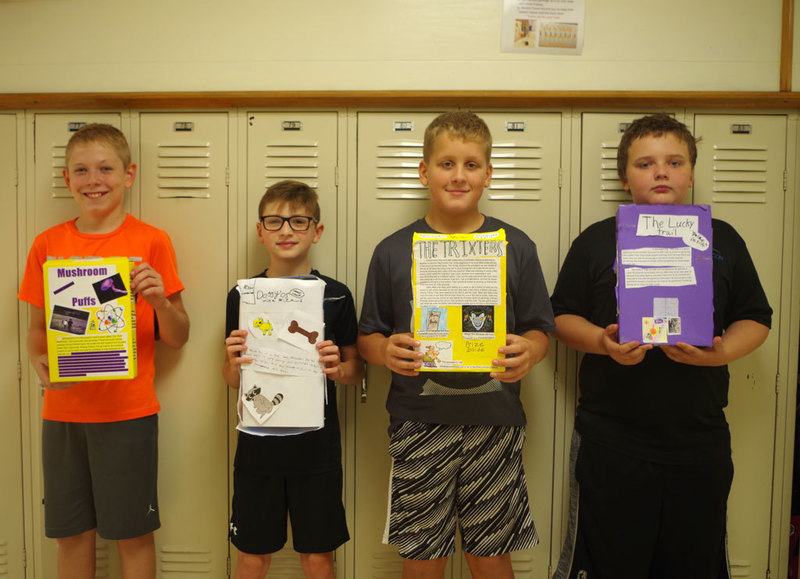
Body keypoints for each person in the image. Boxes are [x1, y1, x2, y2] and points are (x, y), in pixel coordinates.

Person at [550, 114, 772, 578]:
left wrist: (720, 354)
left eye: (674, 162)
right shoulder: (596, 241)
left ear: (691, 172)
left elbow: (756, 318)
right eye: (645, 164)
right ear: (625, 177)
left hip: (699, 441)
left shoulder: (722, 239)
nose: (661, 172)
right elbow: (560, 317)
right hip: (611, 441)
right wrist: (602, 342)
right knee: (607, 565)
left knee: (693, 565)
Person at [358, 111, 555, 579]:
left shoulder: (516, 246)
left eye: (471, 164)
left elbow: (540, 329)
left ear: (488, 173)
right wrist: (384, 352)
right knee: (423, 555)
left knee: (491, 554)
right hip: (419, 421)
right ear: (424, 171)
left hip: (495, 421)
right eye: (446, 164)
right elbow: (368, 336)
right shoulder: (393, 250)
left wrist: (530, 351)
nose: (459, 175)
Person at [18, 123, 190, 578]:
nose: (93, 180)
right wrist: (39, 362)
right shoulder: (47, 245)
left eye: (105, 169)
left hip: (128, 413)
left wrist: (159, 302)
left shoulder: (152, 241)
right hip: (63, 414)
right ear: (67, 178)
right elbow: (36, 331)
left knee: (133, 534)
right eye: (81, 170)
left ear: (128, 175)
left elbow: (178, 337)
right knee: (72, 535)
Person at [223, 180, 364, 579]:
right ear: (260, 231)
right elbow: (231, 379)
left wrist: (339, 368)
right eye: (275, 221)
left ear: (316, 231)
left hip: (316, 449)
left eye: (299, 221)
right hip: (257, 447)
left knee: (318, 559)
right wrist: (233, 361)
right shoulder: (242, 295)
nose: (286, 230)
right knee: (252, 558)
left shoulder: (336, 295)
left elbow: (356, 371)